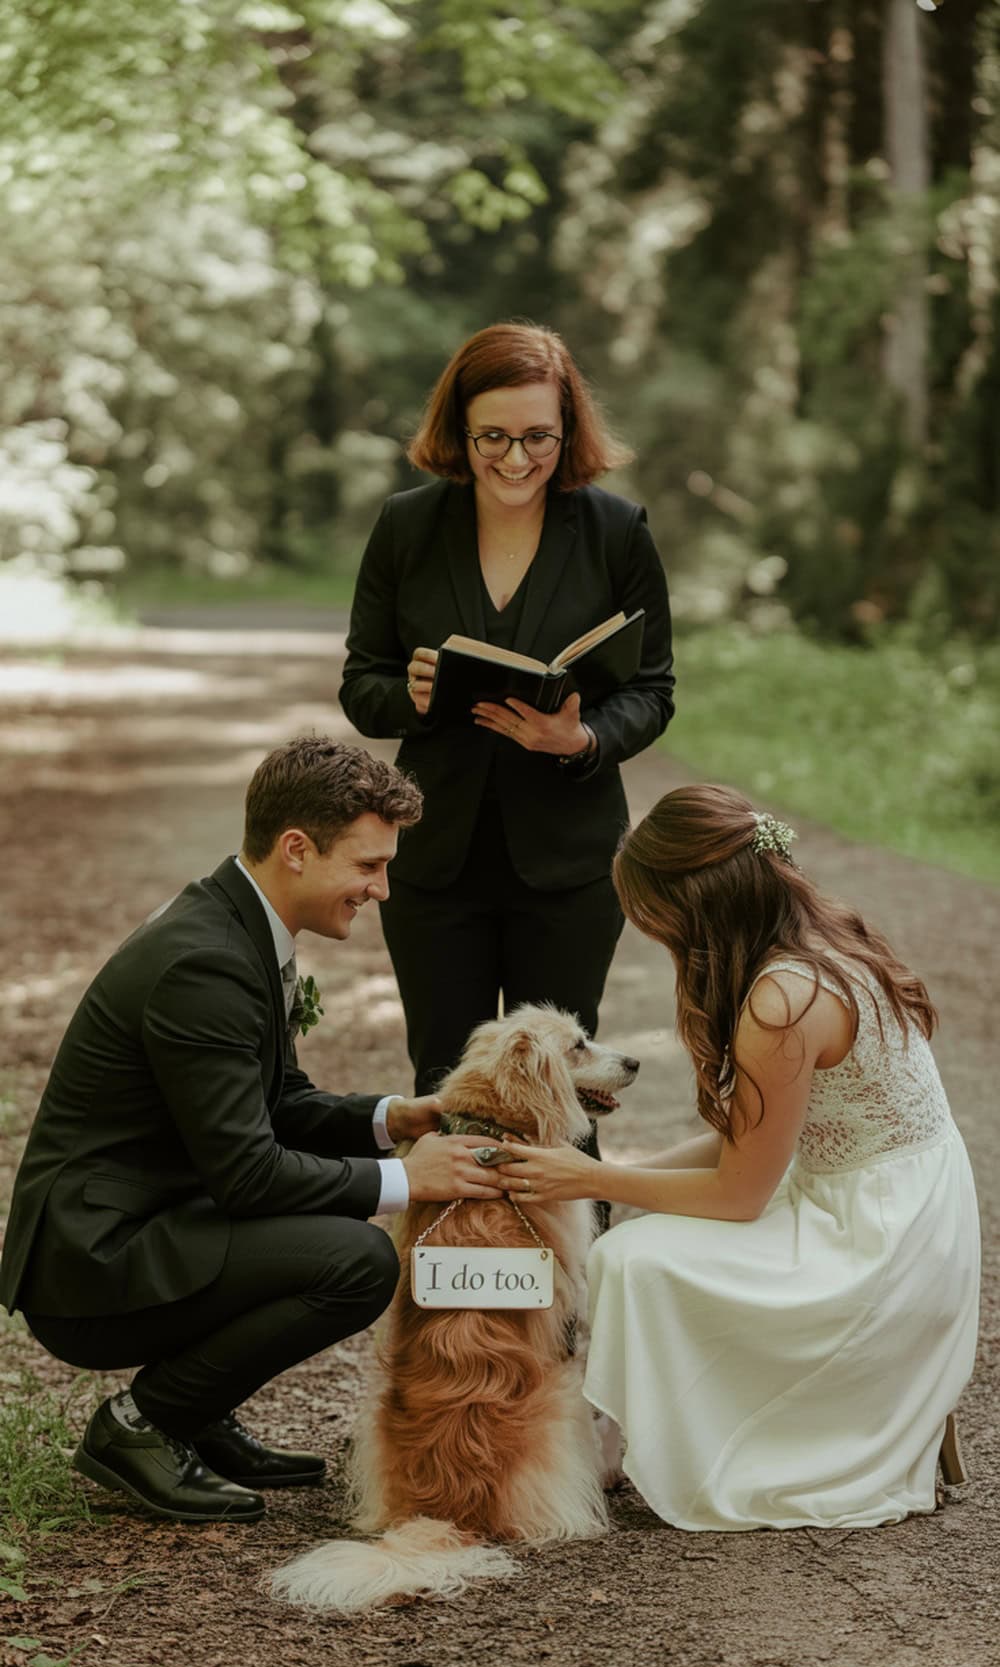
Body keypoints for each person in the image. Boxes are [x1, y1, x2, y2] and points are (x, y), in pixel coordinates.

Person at [0, 736, 503, 1524]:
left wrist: (388, 1120)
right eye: (368, 866)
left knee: (332, 1235)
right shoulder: (206, 961)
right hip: (92, 1259)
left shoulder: (239, 924)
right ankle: (143, 1428)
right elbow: (248, 1174)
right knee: (356, 1260)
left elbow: (277, 1101)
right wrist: (409, 1180)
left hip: (150, 1216)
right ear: (296, 850)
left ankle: (193, 1415)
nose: (383, 890)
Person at [494, 784, 981, 1529]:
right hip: (893, 1205)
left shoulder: (780, 1001)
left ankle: (620, 1445)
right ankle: (630, 1428)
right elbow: (749, 1141)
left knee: (632, 1260)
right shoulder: (826, 940)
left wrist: (589, 1177)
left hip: (879, 1245)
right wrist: (614, 1180)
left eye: (652, 917)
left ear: (694, 906)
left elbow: (740, 1194)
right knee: (637, 1239)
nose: (650, 935)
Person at [340, 320, 674, 1101]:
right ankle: (445, 1228)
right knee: (445, 1083)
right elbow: (362, 684)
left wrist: (582, 737)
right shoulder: (406, 526)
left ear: (570, 430)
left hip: (569, 866)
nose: (516, 460)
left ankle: (573, 1224)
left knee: (563, 1090)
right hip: (433, 864)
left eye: (538, 438)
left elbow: (653, 690)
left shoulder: (617, 532)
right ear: (457, 428)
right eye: (492, 437)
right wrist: (411, 697)